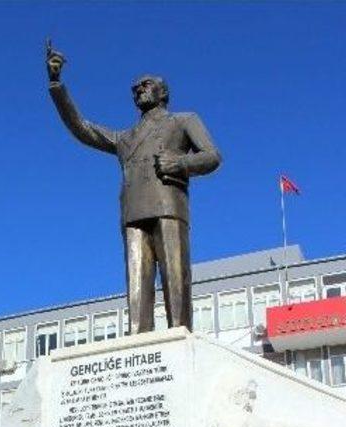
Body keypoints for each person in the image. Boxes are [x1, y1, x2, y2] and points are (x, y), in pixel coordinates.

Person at [45, 42, 221, 334]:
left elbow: (213, 156)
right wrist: (56, 84)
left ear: (162, 93)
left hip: (168, 206)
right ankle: (139, 338)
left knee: (176, 280)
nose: (138, 90)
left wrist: (180, 163)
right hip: (132, 213)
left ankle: (180, 334)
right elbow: (81, 128)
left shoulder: (183, 120)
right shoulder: (124, 138)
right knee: (137, 287)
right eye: (135, 88)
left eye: (146, 85)